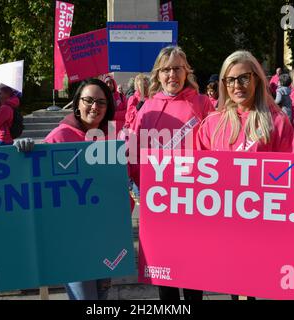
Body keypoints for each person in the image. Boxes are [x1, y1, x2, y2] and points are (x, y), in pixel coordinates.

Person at [196, 51, 294, 300]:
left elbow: (293, 174)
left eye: (243, 78)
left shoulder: (277, 122)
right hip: (225, 226)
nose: (236, 86)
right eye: (229, 80)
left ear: (257, 79)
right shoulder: (212, 123)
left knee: (252, 288)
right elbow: (197, 178)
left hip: (262, 226)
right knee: (235, 288)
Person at [16, 78, 117, 300]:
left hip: (105, 236)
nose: (95, 106)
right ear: (77, 103)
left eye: (101, 102)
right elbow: (34, 179)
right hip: (72, 240)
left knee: (102, 296)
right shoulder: (60, 136)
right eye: (88, 100)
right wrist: (23, 155)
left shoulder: (112, 137)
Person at [130, 46, 214, 301]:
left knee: (192, 273)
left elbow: (216, 148)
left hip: (194, 202)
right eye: (166, 69)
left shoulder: (202, 103)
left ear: (186, 71)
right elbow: (135, 153)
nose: (172, 75)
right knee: (164, 275)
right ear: (158, 74)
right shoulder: (148, 109)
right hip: (160, 204)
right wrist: (142, 186)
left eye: (177, 68)